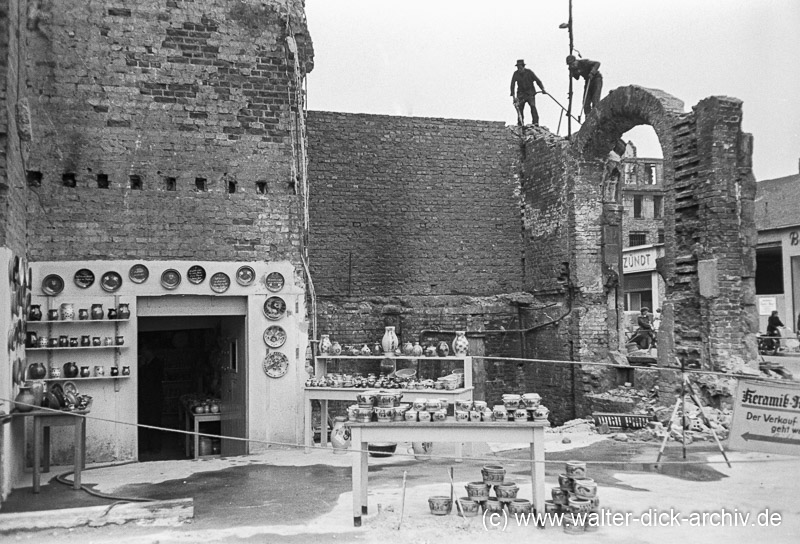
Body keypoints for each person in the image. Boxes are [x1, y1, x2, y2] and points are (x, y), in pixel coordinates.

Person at [138, 346, 165, 453]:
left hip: (155, 398)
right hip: (144, 399)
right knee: (144, 422)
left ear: (149, 351)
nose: (142, 354)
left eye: (144, 351)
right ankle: (145, 446)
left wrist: (142, 366)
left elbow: (150, 379)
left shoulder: (157, 363)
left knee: (154, 423)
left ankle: (155, 447)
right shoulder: (146, 364)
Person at [510, 59, 546, 126]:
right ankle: (520, 124)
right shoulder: (516, 74)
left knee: (532, 106)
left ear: (523, 66)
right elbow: (512, 85)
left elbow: (538, 81)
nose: (519, 69)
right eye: (518, 67)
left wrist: (542, 89)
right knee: (520, 108)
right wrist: (513, 96)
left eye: (520, 67)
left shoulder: (529, 72)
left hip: (530, 93)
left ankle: (535, 122)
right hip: (521, 94)